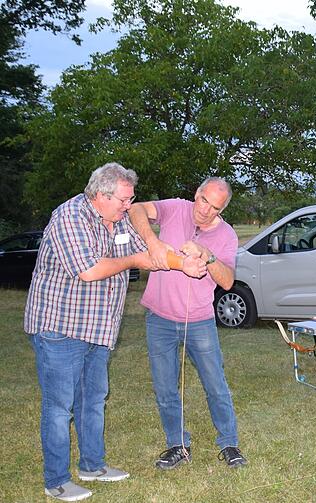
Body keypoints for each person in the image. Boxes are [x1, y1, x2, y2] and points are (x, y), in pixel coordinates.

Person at [24, 162, 204, 502]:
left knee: (93, 400)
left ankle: (92, 465)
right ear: (100, 195)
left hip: (98, 329)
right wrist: (134, 260)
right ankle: (57, 480)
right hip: (60, 327)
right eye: (124, 199)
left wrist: (185, 263)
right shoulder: (70, 218)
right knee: (60, 406)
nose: (129, 205)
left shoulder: (118, 220)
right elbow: (90, 270)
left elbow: (151, 252)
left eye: (130, 198)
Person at [128, 177, 248, 470]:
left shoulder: (227, 235)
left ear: (223, 209)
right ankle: (177, 445)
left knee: (215, 384)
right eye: (204, 200)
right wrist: (153, 241)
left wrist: (207, 256)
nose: (206, 211)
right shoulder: (175, 208)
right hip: (159, 318)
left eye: (216, 208)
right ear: (197, 194)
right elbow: (135, 210)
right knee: (166, 388)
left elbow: (228, 280)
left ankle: (229, 443)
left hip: (200, 322)